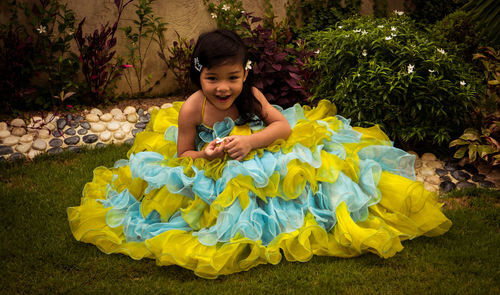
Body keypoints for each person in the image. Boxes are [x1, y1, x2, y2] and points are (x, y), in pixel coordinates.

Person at [68, 29, 451, 279]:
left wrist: (251, 142)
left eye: (232, 77)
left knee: (299, 176)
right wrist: (207, 155)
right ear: (198, 77)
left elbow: (282, 127)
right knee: (217, 200)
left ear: (245, 74)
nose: (223, 88)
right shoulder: (192, 109)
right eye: (212, 79)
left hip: (261, 151)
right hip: (218, 164)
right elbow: (183, 153)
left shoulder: (251, 97)